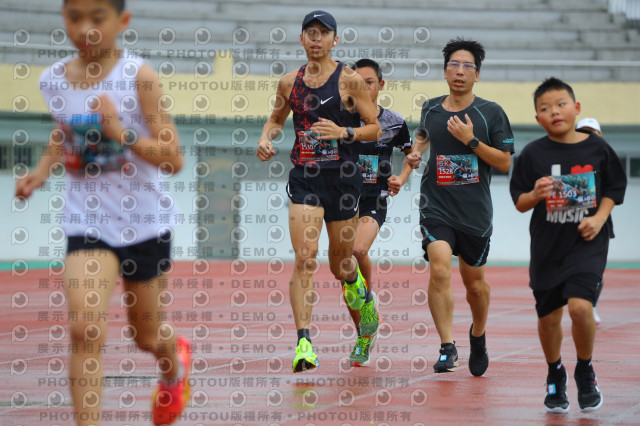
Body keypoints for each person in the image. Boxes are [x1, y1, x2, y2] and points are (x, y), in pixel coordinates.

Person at [15, 1, 190, 424]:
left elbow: (174, 159)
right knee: (85, 329)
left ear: (122, 21)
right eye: (74, 17)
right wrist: (41, 171)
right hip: (87, 221)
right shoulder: (53, 79)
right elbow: (64, 131)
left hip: (144, 223)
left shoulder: (138, 77)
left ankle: (174, 365)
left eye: (97, 18)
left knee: (146, 336)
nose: (84, 29)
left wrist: (121, 133)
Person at [256, 10, 380, 373]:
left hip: (343, 180)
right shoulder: (288, 83)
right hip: (305, 178)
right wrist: (266, 139)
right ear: (301, 39)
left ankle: (361, 291)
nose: (316, 38)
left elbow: (374, 127)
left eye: (323, 33)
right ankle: (304, 344)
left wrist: (344, 133)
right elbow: (276, 120)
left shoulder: (350, 81)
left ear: (334, 40)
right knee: (305, 259)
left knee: (341, 266)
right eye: (310, 32)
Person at [510, 77, 626, 413]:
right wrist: (536, 194)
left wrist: (600, 218)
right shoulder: (532, 154)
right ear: (538, 118)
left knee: (579, 307)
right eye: (545, 108)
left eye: (561, 104)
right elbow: (519, 201)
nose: (555, 112)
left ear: (576, 108)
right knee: (549, 318)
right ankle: (555, 371)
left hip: (586, 243)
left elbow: (614, 188)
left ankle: (585, 370)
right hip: (547, 247)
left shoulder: (597, 148)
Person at [409, 37, 514, 376]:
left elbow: (504, 163)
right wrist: (410, 160)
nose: (460, 71)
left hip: (474, 212)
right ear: (444, 72)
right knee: (440, 269)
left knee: (475, 285)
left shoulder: (491, 112)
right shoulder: (431, 108)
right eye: (454, 65)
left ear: (477, 75)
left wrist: (471, 140)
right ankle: (447, 346)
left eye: (468, 66)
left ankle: (478, 335)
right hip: (435, 205)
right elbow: (422, 141)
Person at [345, 58, 414, 366]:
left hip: (374, 198)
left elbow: (411, 154)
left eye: (369, 83)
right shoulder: (341, 120)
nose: (363, 88)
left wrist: (402, 177)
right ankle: (364, 333)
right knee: (346, 272)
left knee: (358, 250)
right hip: (342, 201)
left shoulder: (394, 122)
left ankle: (369, 303)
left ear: (381, 85)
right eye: (357, 83)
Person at [576, 117, 604, 326]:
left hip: (598, 223)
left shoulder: (605, 159)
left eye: (592, 132)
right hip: (567, 222)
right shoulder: (565, 156)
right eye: (583, 131)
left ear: (600, 135)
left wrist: (600, 218)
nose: (588, 136)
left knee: (594, 271)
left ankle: (590, 305)